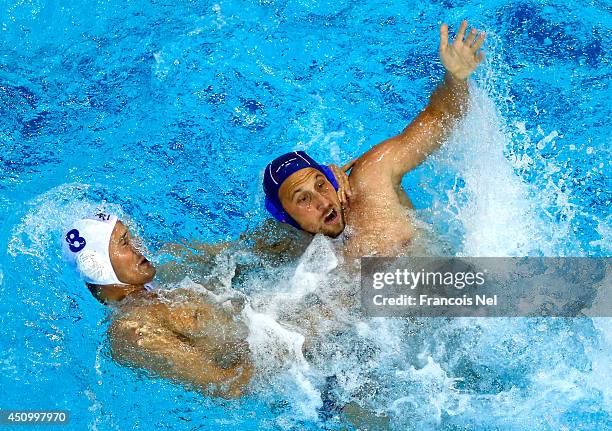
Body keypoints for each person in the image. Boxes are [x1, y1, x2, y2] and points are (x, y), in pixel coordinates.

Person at [263, 21, 485, 256]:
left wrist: (455, 77)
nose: (323, 202)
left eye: (321, 184)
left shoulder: (372, 178)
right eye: (303, 199)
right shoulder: (294, 254)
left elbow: (441, 117)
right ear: (285, 218)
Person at [62, 212, 252, 398]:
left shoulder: (164, 267)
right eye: (125, 242)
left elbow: (240, 254)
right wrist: (269, 347)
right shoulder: (134, 330)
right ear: (97, 266)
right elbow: (228, 386)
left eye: (132, 236)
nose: (139, 245)